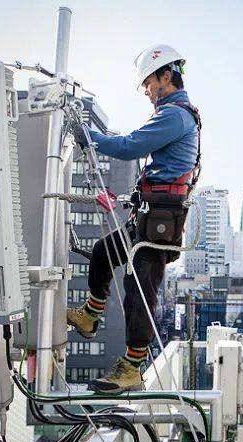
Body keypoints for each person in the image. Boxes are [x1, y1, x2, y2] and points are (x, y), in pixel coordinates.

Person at [67, 44, 201, 393]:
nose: (146, 90)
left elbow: (129, 147)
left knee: (139, 288)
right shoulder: (174, 114)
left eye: (148, 82)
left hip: (160, 219)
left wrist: (90, 137)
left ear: (167, 76)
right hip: (150, 214)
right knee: (103, 252)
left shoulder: (175, 116)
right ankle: (90, 315)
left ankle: (131, 366)